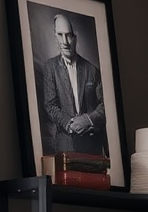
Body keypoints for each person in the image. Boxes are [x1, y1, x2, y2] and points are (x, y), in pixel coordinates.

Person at [41, 13, 108, 156]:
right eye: (60, 35)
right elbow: (50, 105)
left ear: (75, 38)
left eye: (69, 35)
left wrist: (88, 120)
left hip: (92, 147)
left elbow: (105, 106)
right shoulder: (50, 67)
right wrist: (69, 124)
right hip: (65, 146)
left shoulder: (92, 69)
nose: (64, 41)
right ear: (55, 35)